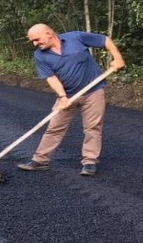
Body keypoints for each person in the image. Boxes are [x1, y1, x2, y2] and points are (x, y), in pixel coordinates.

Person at [17, 23, 125, 176]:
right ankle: (40, 161)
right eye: (32, 41)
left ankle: (89, 162)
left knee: (93, 127)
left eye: (37, 39)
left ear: (49, 33)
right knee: (54, 127)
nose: (35, 44)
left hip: (93, 91)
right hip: (67, 96)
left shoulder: (76, 37)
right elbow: (51, 77)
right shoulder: (39, 55)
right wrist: (62, 97)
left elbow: (104, 40)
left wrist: (118, 57)